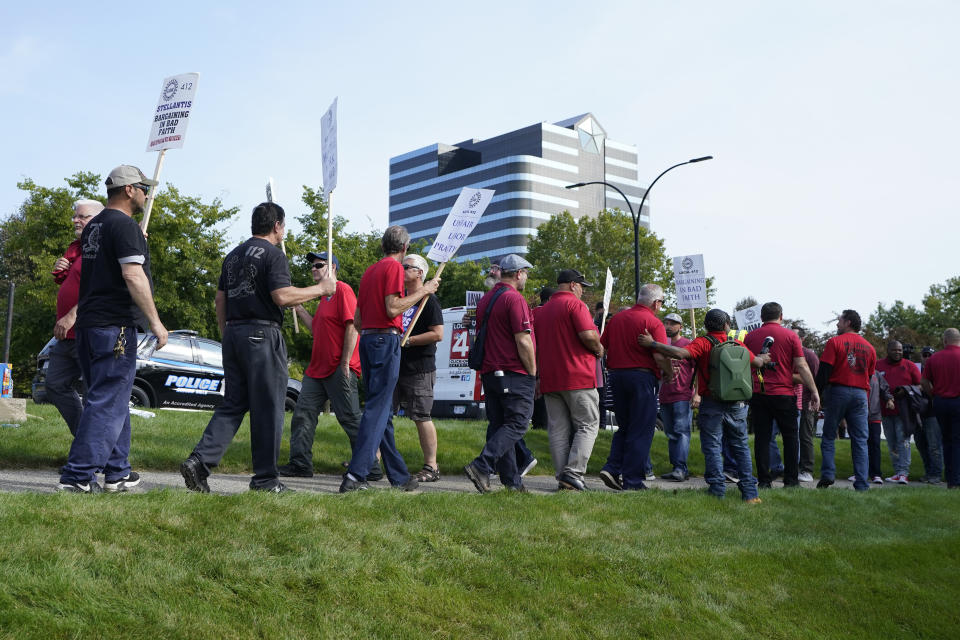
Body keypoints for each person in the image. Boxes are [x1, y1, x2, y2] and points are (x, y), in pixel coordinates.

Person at [181, 202, 335, 493]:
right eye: (284, 226)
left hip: (235, 334)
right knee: (268, 408)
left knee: (233, 405)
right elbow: (281, 296)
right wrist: (321, 290)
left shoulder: (233, 256)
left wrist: (227, 334)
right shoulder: (274, 255)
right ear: (277, 225)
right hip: (262, 334)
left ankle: (199, 462)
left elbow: (220, 300)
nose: (283, 231)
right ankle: (265, 480)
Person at [57, 166, 168, 493]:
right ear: (130, 190)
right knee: (106, 401)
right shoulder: (124, 226)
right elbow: (133, 276)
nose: (147, 195)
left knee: (109, 398)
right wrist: (156, 322)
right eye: (144, 189)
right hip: (115, 326)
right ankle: (76, 477)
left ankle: (117, 472)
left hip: (91, 326)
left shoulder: (95, 228)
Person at [339, 226, 439, 493]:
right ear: (404, 248)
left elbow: (358, 319)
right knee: (377, 409)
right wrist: (424, 290)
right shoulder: (394, 269)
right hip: (386, 340)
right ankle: (355, 475)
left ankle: (399, 476)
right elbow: (393, 307)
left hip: (369, 341)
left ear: (383, 246)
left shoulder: (369, 272)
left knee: (381, 409)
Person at [639, 308, 772, 502]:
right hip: (736, 404)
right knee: (741, 446)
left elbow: (680, 353)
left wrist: (652, 343)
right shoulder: (736, 343)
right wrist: (764, 358)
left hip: (711, 403)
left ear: (705, 325)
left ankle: (717, 491)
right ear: (727, 325)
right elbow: (758, 363)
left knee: (712, 446)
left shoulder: (702, 342)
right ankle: (751, 494)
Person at [277, 252, 366, 478]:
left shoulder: (342, 290)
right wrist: (299, 309)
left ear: (333, 268)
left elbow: (353, 326)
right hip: (317, 369)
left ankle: (368, 467)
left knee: (350, 418)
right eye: (313, 266)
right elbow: (317, 329)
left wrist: (346, 361)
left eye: (319, 265)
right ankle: (300, 464)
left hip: (338, 367)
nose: (314, 269)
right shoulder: (323, 298)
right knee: (303, 415)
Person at [463, 254, 537, 493]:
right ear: (518, 274)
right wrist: (532, 372)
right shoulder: (514, 299)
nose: (526, 277)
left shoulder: (487, 299)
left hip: (490, 371)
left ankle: (512, 483)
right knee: (517, 424)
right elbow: (523, 340)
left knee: (499, 425)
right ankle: (482, 465)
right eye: (526, 272)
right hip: (513, 371)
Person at [597, 284, 673, 491]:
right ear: (656, 303)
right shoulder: (653, 323)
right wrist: (669, 372)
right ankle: (632, 480)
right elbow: (659, 356)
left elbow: (603, 346)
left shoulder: (617, 320)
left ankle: (612, 467)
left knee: (626, 427)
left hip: (616, 376)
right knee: (641, 430)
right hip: (642, 377)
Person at [536, 269, 603, 491]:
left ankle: (562, 476)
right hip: (578, 376)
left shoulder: (541, 311)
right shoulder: (575, 305)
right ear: (573, 285)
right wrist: (599, 348)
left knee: (557, 429)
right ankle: (573, 473)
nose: (583, 291)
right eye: (583, 286)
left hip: (550, 377)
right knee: (588, 424)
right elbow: (588, 335)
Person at [743, 302, 820, 489]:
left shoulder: (749, 337)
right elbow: (801, 365)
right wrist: (815, 391)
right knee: (790, 438)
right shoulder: (791, 336)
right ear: (781, 316)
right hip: (784, 393)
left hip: (759, 392)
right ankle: (791, 481)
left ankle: (763, 480)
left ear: (761, 317)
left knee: (762, 438)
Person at [46, 199, 104, 436]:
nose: (76, 221)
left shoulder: (102, 247)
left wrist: (73, 315)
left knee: (94, 393)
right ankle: (84, 443)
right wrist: (62, 270)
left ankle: (94, 455)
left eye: (83, 217)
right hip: (66, 335)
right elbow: (73, 281)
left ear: (99, 220)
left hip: (87, 330)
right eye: (75, 216)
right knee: (54, 385)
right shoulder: (76, 248)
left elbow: (99, 288)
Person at [814, 309, 877, 491]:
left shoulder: (835, 342)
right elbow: (870, 375)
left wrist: (816, 393)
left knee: (828, 435)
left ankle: (827, 474)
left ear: (848, 322)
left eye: (839, 321)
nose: (837, 324)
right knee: (860, 440)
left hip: (838, 391)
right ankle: (862, 483)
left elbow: (824, 371)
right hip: (860, 394)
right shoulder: (870, 348)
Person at [395, 253, 444, 481]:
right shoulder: (401, 298)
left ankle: (431, 466)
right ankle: (372, 460)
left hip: (420, 368)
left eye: (407, 267)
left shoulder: (429, 301)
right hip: (396, 365)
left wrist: (410, 340)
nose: (402, 269)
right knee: (383, 414)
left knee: (421, 415)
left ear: (420, 273)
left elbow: (438, 333)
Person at [657, 312, 699, 482]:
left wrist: (698, 394)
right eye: (666, 323)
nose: (669, 326)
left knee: (682, 432)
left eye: (673, 323)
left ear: (681, 327)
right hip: (665, 395)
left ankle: (680, 468)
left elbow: (698, 371)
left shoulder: (688, 344)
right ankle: (678, 468)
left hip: (683, 395)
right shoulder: (661, 346)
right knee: (671, 433)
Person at [876, 340, 920, 484]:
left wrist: (906, 390)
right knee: (892, 442)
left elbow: (920, 385)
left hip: (905, 412)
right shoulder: (878, 365)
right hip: (885, 411)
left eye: (900, 350)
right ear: (888, 350)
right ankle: (897, 472)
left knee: (904, 441)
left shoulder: (910, 366)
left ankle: (903, 473)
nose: (898, 352)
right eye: (894, 350)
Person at [920, 328, 960, 488]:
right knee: (957, 441)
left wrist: (933, 395)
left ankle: (951, 478)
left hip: (941, 402)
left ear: (944, 340)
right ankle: (955, 479)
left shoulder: (934, 359)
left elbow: (924, 382)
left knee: (947, 440)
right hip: (958, 401)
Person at [915, 346, 944, 483]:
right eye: (925, 355)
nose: (927, 358)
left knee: (934, 445)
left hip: (933, 413)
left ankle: (936, 474)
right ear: (921, 357)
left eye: (930, 355)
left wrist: (924, 386)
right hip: (917, 413)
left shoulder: (939, 370)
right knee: (921, 444)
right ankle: (929, 472)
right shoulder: (916, 370)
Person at [797, 335, 820, 483]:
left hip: (807, 401)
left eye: (796, 335)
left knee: (805, 434)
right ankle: (795, 465)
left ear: (802, 338)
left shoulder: (809, 355)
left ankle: (807, 469)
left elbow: (816, 378)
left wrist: (815, 395)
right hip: (793, 400)